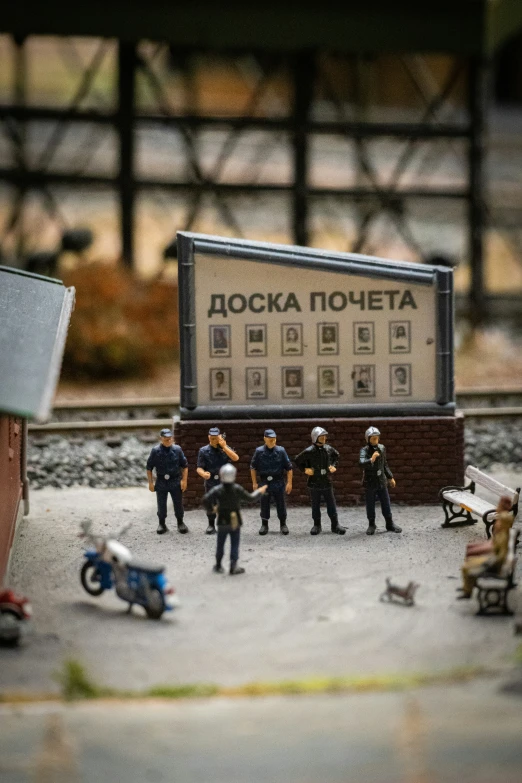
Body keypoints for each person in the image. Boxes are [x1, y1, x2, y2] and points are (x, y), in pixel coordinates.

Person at [203, 464, 267, 575]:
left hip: (222, 519)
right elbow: (251, 498)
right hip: (235, 520)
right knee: (234, 543)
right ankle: (233, 566)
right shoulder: (237, 489)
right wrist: (260, 492)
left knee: (220, 543)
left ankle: (218, 565)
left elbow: (205, 499)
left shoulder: (217, 489)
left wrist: (211, 509)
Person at [457, 496, 515, 599]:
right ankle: (468, 588)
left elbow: (507, 518)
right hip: (495, 557)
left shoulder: (503, 533)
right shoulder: (501, 533)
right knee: (469, 559)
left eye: (500, 505)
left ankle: (468, 591)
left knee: (466, 567)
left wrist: (483, 557)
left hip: (495, 562)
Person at [295, 427, 346, 536]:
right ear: (315, 438)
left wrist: (333, 465)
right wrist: (305, 469)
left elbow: (337, 456)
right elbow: (297, 460)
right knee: (315, 505)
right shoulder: (309, 451)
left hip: (326, 481)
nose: (324, 439)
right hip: (314, 482)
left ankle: (335, 524)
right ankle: (317, 525)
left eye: (324, 437)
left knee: (331, 504)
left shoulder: (328, 449)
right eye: (321, 437)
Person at [196, 426, 239, 534]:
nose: (213, 439)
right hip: (211, 481)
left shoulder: (225, 449)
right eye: (211, 437)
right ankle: (211, 525)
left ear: (220, 437)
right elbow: (199, 467)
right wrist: (203, 473)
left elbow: (235, 458)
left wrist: (224, 446)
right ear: (208, 437)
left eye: (215, 437)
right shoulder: (203, 451)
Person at [250, 429, 293, 535]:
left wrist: (289, 483)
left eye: (274, 439)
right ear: (265, 439)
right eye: (270, 439)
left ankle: (283, 524)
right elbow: (253, 467)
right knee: (264, 503)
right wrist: (254, 483)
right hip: (264, 482)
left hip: (278, 481)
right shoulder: (259, 452)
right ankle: (264, 524)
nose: (273, 441)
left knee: (281, 503)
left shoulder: (281, 451)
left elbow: (289, 468)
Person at [359, 427, 401, 535]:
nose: (375, 441)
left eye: (377, 438)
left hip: (381, 481)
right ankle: (371, 524)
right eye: (373, 439)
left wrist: (390, 477)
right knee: (370, 504)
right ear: (368, 439)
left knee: (386, 502)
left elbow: (384, 464)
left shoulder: (382, 448)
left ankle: (389, 523)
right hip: (370, 482)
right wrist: (371, 459)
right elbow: (361, 463)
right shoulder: (364, 450)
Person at [146, 428, 188, 535]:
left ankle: (180, 522)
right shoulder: (155, 451)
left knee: (178, 503)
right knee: (161, 504)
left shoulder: (177, 450)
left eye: (170, 439)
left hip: (175, 480)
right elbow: (149, 467)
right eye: (166, 439)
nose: (168, 441)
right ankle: (162, 523)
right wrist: (150, 483)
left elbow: (185, 466)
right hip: (161, 481)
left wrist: (184, 480)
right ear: (161, 439)